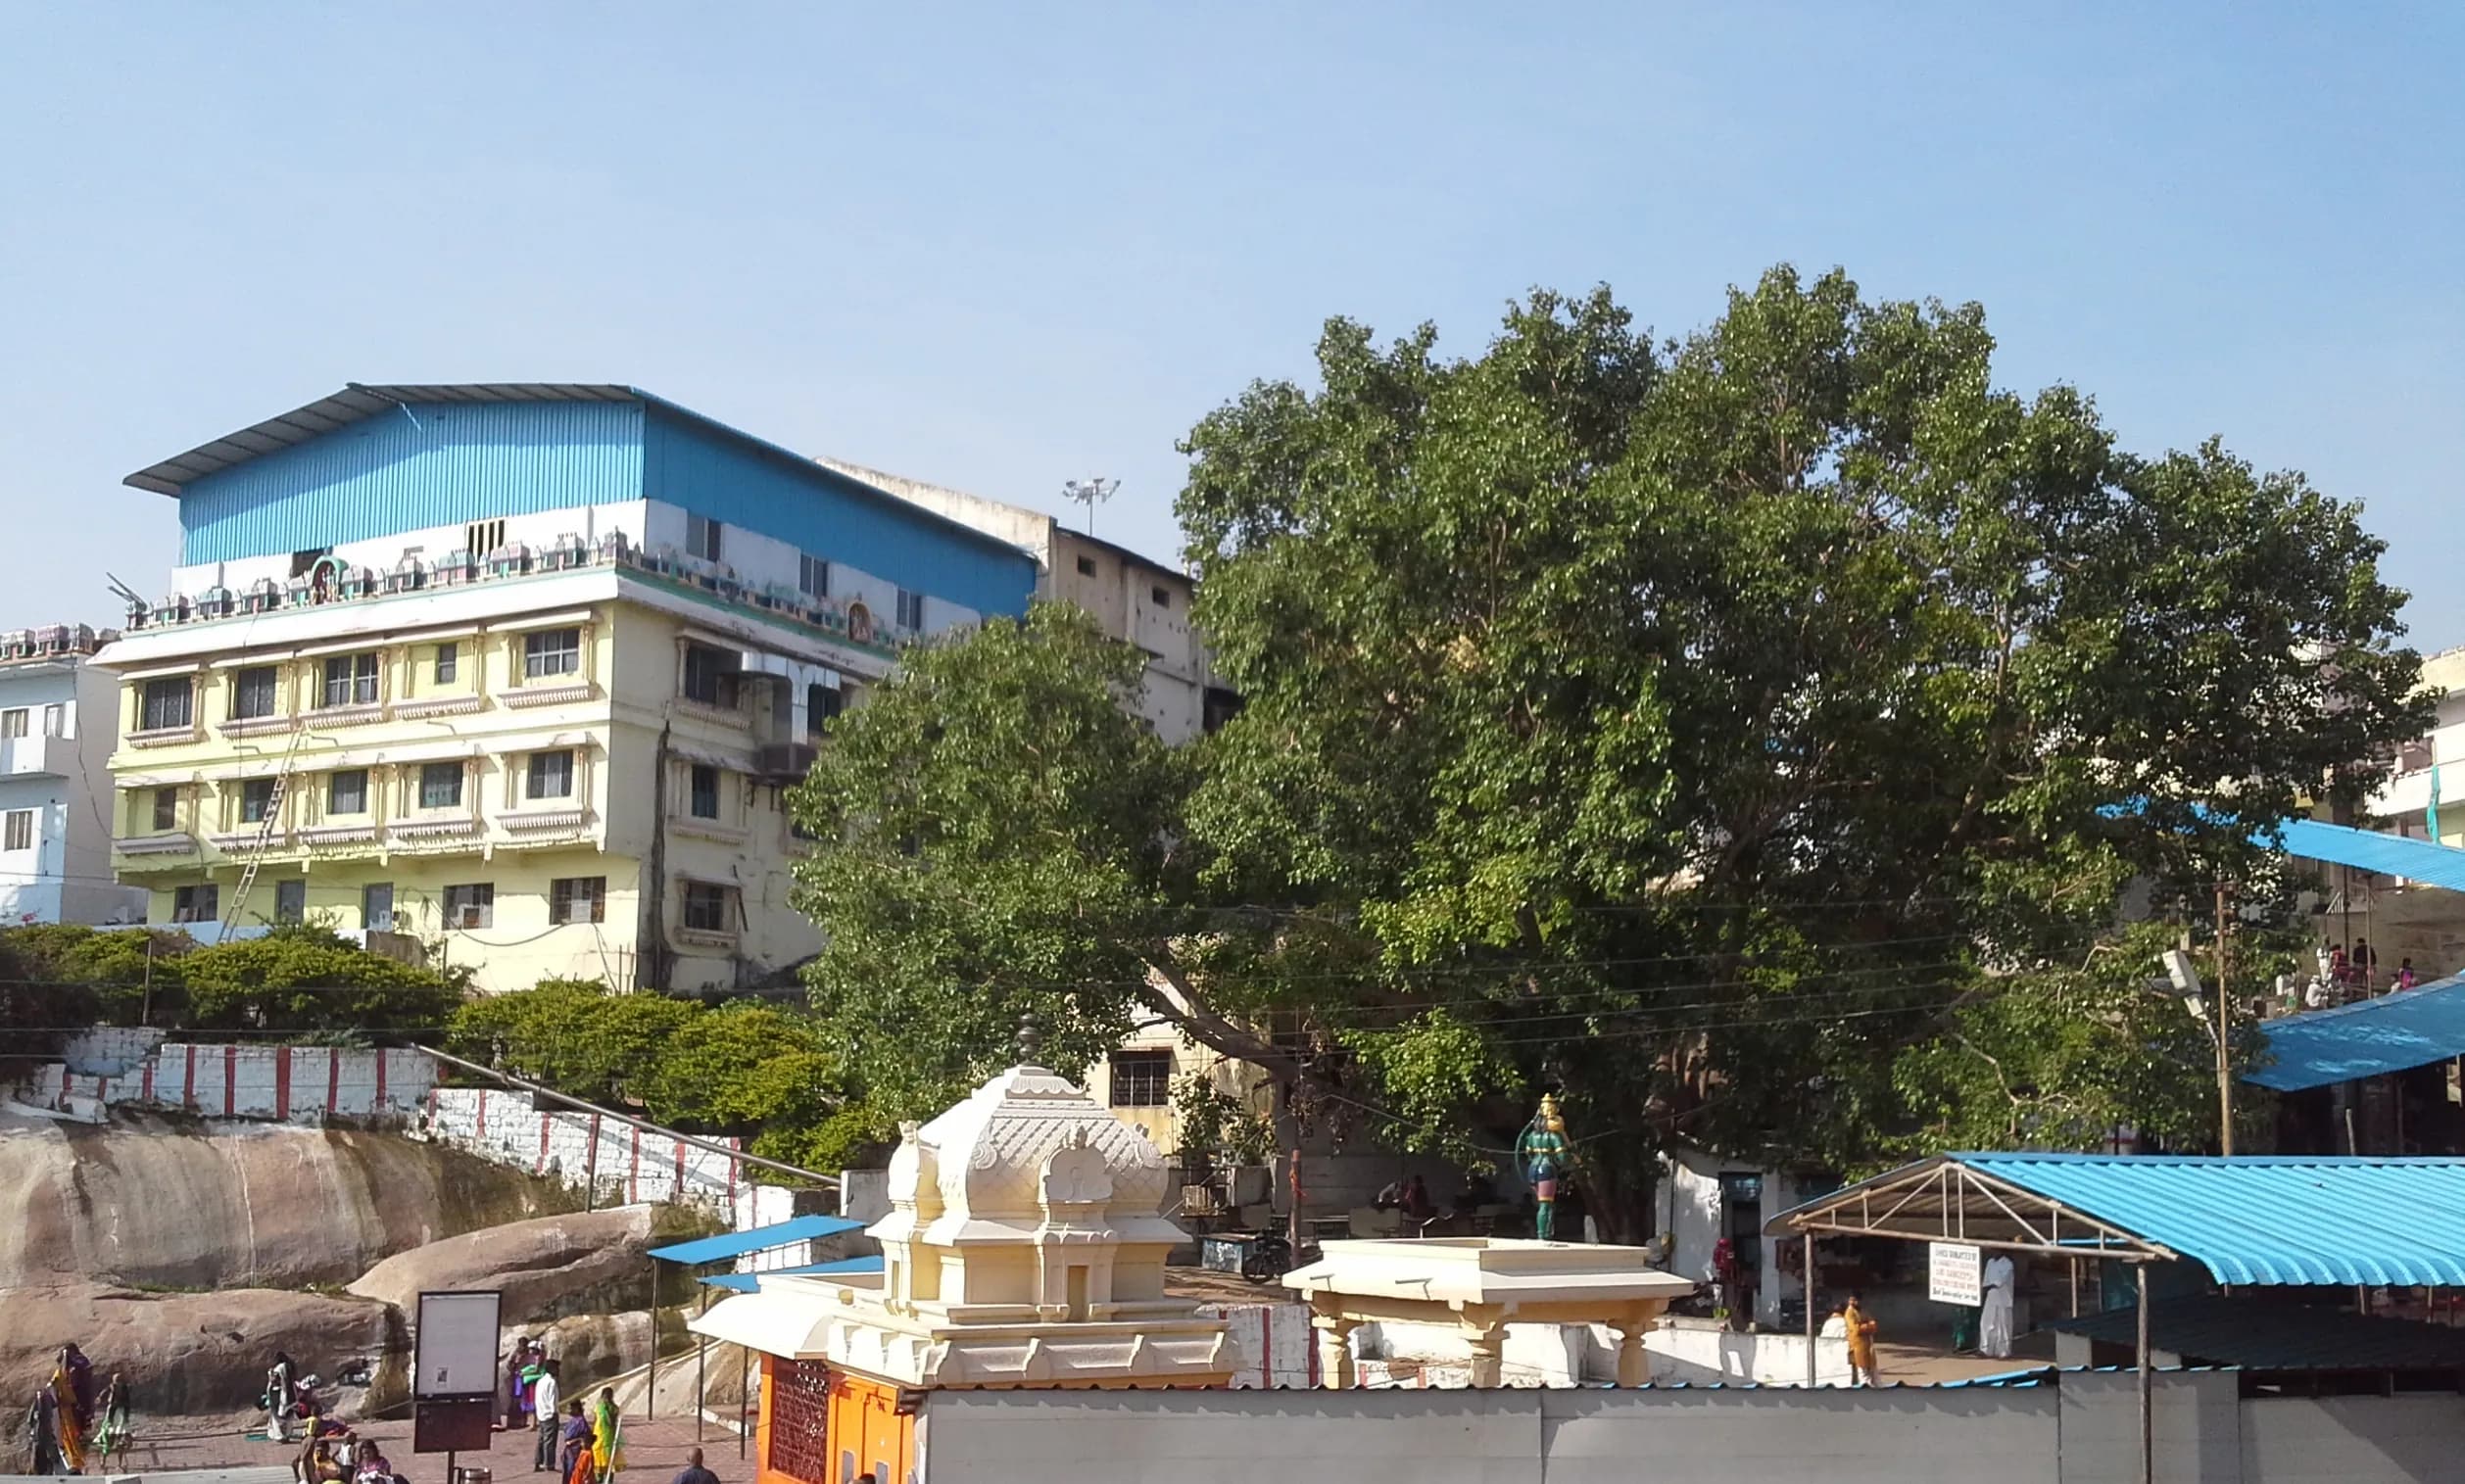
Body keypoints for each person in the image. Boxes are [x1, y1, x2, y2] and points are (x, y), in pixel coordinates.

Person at [49, 1351, 87, 1475]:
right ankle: (72, 1460)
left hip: (67, 1409)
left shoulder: (65, 1375)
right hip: (62, 1409)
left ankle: (74, 1459)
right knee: (67, 1434)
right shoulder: (59, 1374)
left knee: (71, 1434)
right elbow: (56, 1388)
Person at [1979, 1253, 2016, 1360]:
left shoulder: (2008, 1264)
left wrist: (1987, 1286)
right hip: (1991, 1296)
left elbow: (1999, 1282)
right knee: (1986, 1323)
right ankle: (1986, 1350)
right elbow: (1986, 1279)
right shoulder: (1990, 1262)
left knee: (2003, 1325)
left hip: (2004, 1297)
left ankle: (2003, 1351)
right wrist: (1983, 1288)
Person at [90, 1372, 131, 1468]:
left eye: (119, 1381)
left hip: (121, 1416)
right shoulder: (111, 1387)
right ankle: (103, 1462)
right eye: (116, 1381)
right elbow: (104, 1392)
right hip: (112, 1415)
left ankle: (120, 1464)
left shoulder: (126, 1389)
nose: (117, 1384)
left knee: (121, 1442)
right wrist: (99, 1397)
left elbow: (127, 1404)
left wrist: (126, 1419)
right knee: (108, 1440)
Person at [24, 1384, 64, 1476]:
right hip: (39, 1432)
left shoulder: (47, 1400)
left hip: (46, 1431)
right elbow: (30, 1419)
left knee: (49, 1451)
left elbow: (54, 1405)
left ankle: (53, 1463)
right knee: (39, 1453)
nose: (41, 1395)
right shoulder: (37, 1403)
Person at [532, 1360, 563, 1473]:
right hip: (550, 1415)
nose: (559, 1371)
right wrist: (554, 1413)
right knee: (550, 1441)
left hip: (541, 1414)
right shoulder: (552, 1382)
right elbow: (552, 1400)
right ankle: (549, 1464)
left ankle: (538, 1462)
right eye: (557, 1368)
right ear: (552, 1369)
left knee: (541, 1440)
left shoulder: (540, 1381)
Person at [1842, 1293, 1880, 1386]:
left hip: (1868, 1344)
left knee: (1873, 1369)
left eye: (1854, 1300)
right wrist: (1867, 1326)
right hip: (1857, 1345)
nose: (1852, 1302)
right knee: (1862, 1369)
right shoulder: (1849, 1312)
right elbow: (1855, 1329)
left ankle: (1875, 1387)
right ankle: (1866, 1388)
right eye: (1850, 1300)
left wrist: (1865, 1326)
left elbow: (1874, 1324)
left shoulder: (1863, 1310)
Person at [591, 1387, 623, 1484]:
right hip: (598, 1439)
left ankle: (608, 1481)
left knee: (609, 1464)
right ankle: (598, 1481)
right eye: (605, 1396)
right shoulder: (598, 1407)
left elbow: (611, 1423)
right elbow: (595, 1421)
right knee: (598, 1464)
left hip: (609, 1439)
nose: (606, 1398)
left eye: (608, 1396)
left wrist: (606, 1410)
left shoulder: (614, 1408)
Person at [266, 1353, 299, 1444]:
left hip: (278, 1394)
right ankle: (286, 1435)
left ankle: (280, 1436)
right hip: (287, 1394)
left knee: (277, 1416)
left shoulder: (279, 1368)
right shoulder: (288, 1367)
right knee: (288, 1416)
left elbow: (278, 1381)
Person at [558, 1400, 592, 1484]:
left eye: (570, 1409)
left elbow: (585, 1438)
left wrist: (575, 1441)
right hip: (569, 1451)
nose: (569, 1411)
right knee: (567, 1474)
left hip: (576, 1452)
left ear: (576, 1409)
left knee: (573, 1474)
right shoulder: (573, 1420)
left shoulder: (581, 1422)